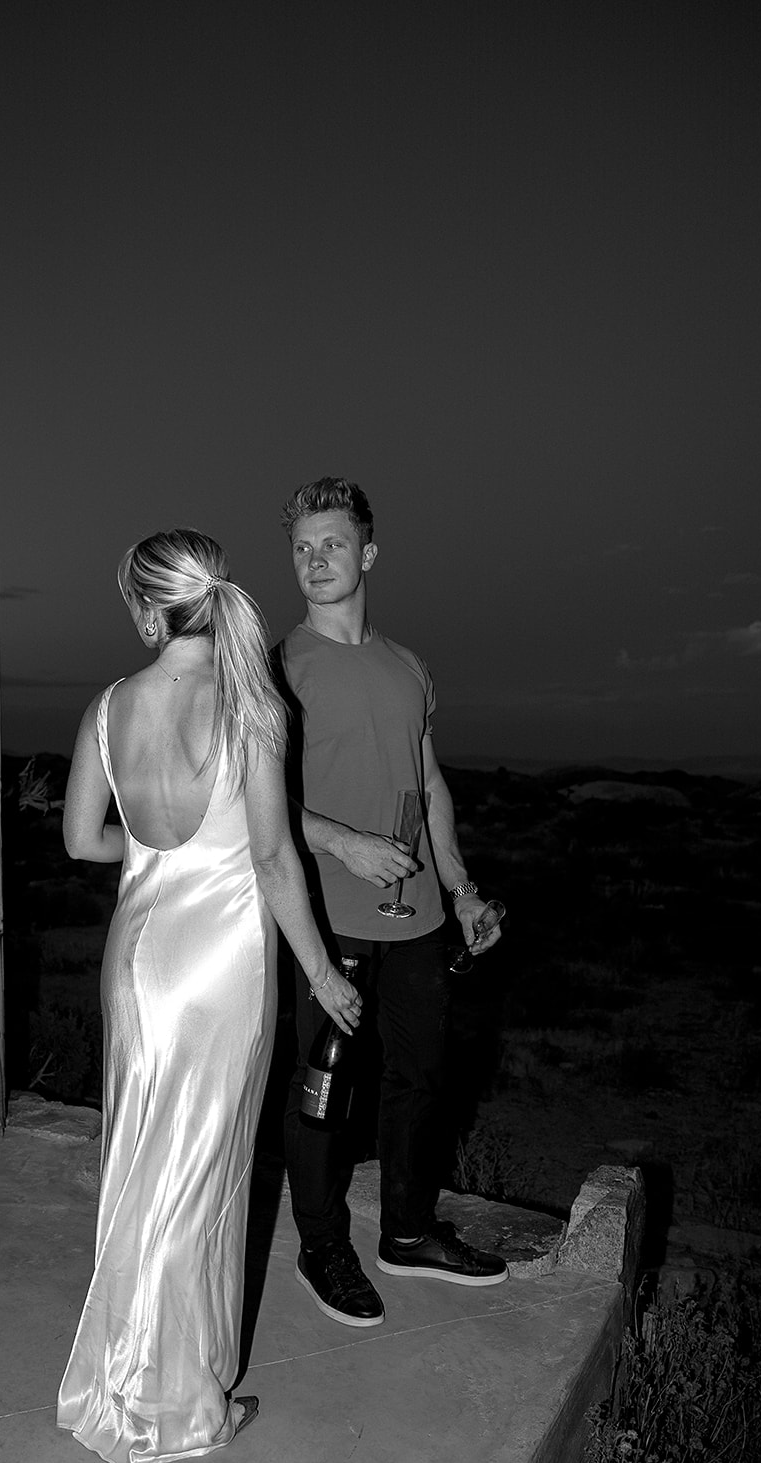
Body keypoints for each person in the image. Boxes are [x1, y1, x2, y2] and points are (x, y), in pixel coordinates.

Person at [56, 529, 360, 1463]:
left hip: (138, 962)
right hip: (222, 970)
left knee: (140, 1168)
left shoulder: (108, 707)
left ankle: (115, 1381)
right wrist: (319, 972)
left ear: (148, 610)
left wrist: (154, 860)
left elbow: (80, 843)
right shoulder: (250, 707)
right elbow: (272, 859)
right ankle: (185, 1410)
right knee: (203, 1180)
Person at [274, 477, 508, 1329]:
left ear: (367, 553)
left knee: (420, 1081)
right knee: (324, 1093)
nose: (315, 560)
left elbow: (430, 781)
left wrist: (462, 888)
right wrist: (343, 841)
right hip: (325, 917)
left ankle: (406, 1233)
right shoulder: (277, 668)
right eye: (301, 547)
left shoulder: (408, 666)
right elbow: (249, 803)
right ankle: (319, 1245)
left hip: (419, 920)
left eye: (331, 544)